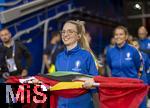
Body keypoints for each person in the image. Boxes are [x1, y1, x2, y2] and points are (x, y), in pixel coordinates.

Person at [55, 20, 99, 108]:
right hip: (61, 105)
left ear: (78, 36)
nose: (65, 34)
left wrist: (97, 105)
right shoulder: (59, 57)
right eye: (63, 31)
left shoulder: (86, 56)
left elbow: (95, 82)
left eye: (70, 31)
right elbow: (55, 81)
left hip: (82, 105)